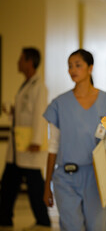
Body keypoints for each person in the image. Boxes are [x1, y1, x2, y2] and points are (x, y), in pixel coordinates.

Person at [42, 49, 106, 231]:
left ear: (90, 68)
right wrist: (47, 185)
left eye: (78, 65)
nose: (73, 70)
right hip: (65, 178)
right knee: (71, 227)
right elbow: (53, 147)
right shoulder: (59, 104)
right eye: (70, 66)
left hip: (97, 177)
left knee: (97, 227)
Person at [0, 48, 51, 231]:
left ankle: (43, 221)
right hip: (19, 147)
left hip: (30, 147)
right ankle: (5, 219)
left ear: (30, 62)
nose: (18, 62)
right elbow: (26, 113)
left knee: (35, 186)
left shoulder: (39, 86)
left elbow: (40, 115)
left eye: (21, 59)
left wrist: (37, 140)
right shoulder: (26, 85)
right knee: (8, 184)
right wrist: (13, 112)